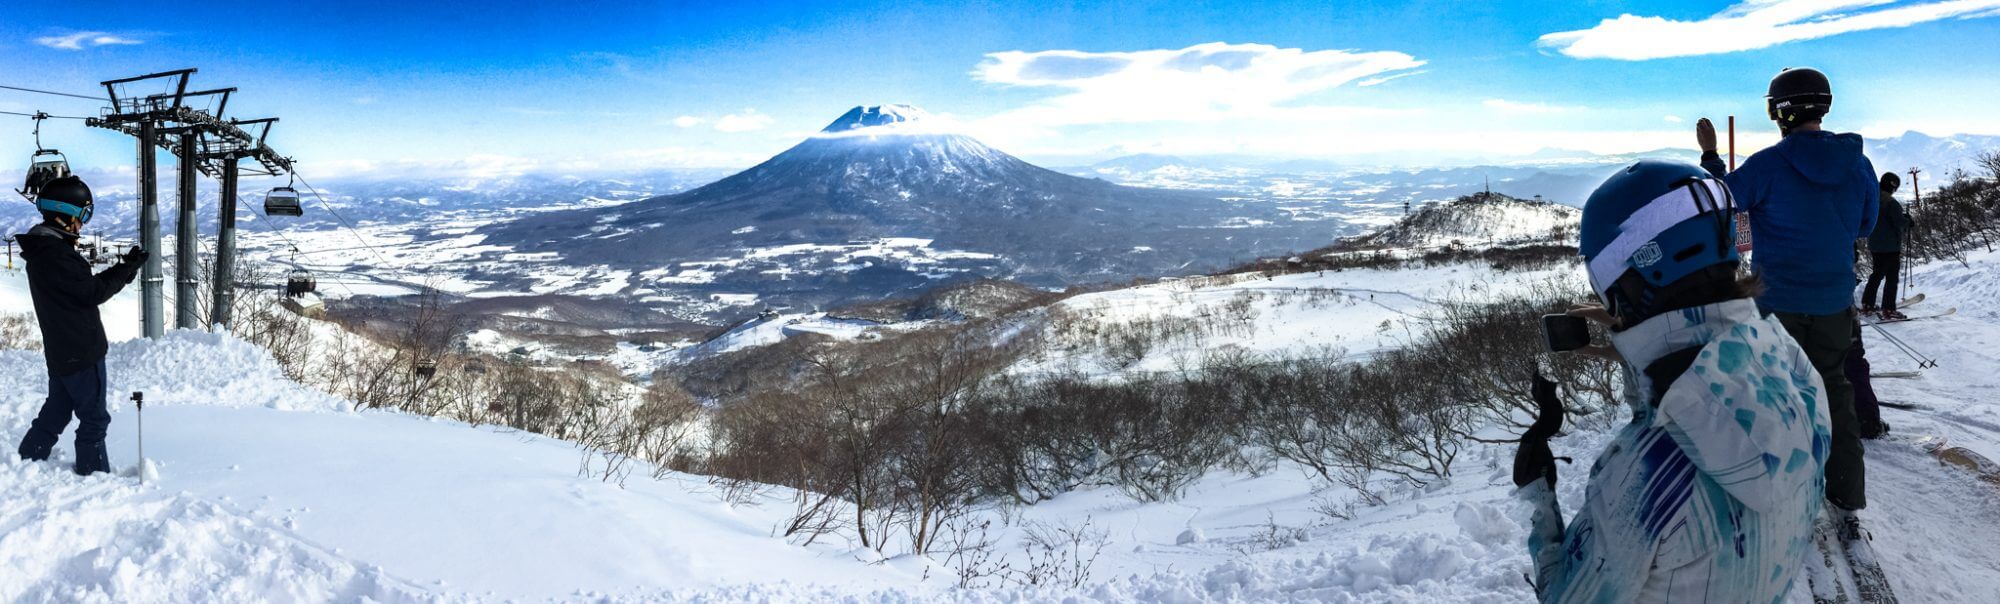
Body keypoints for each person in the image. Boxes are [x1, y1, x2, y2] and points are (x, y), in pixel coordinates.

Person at [1516, 160, 1831, 603]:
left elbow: (1563, 597)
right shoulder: (1798, 373)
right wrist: (1637, 345)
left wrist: (1538, 498)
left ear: (1621, 279)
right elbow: (1702, 403)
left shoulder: (1644, 479)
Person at [1694, 66, 1877, 513]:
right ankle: (1847, 494)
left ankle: (1783, 496)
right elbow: (1866, 224)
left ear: (1779, 112)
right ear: (1824, 105)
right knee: (1834, 388)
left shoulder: (1768, 165)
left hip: (1775, 303)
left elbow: (1722, 202)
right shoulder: (1859, 164)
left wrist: (1712, 157)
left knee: (1776, 392)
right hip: (1835, 301)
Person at [14, 175, 146, 476]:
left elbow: (80, 288)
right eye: (82, 215)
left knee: (57, 410)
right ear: (63, 214)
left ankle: (26, 461)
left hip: (61, 350)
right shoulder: (57, 255)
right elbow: (92, 293)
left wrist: (124, 269)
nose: (82, 224)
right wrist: (127, 268)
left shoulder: (45, 250)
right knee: (94, 419)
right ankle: (94, 475)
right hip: (81, 352)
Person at [1861, 171, 1912, 320]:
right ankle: (1888, 309)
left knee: (1876, 275)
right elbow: (1899, 223)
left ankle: (1867, 304)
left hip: (1875, 245)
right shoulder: (1890, 202)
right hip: (1890, 247)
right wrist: (1909, 221)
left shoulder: (1872, 199)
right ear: (1892, 186)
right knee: (1891, 278)